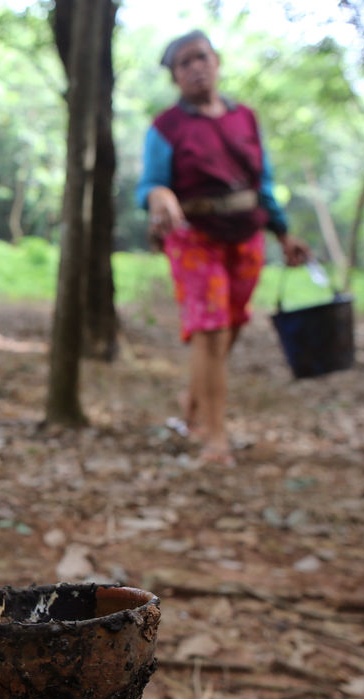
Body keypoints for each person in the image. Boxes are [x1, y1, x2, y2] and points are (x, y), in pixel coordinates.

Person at [137, 29, 310, 466]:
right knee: (210, 331)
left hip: (246, 237)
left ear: (217, 61)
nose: (195, 67)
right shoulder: (166, 127)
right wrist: (160, 198)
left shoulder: (245, 118)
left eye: (201, 57)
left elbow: (263, 183)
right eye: (184, 63)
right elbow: (151, 184)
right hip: (194, 237)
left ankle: (194, 397)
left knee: (229, 328)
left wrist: (283, 232)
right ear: (175, 77)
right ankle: (214, 439)